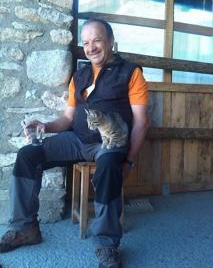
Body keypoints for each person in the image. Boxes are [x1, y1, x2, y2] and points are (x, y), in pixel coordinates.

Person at [0, 19, 149, 268]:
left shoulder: (131, 73)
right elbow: (68, 118)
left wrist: (130, 161)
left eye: (97, 40)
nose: (91, 47)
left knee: (110, 166)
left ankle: (106, 244)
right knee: (28, 155)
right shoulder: (79, 75)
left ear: (111, 41)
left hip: (108, 143)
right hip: (76, 139)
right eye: (86, 42)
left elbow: (142, 122)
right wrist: (45, 127)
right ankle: (25, 228)